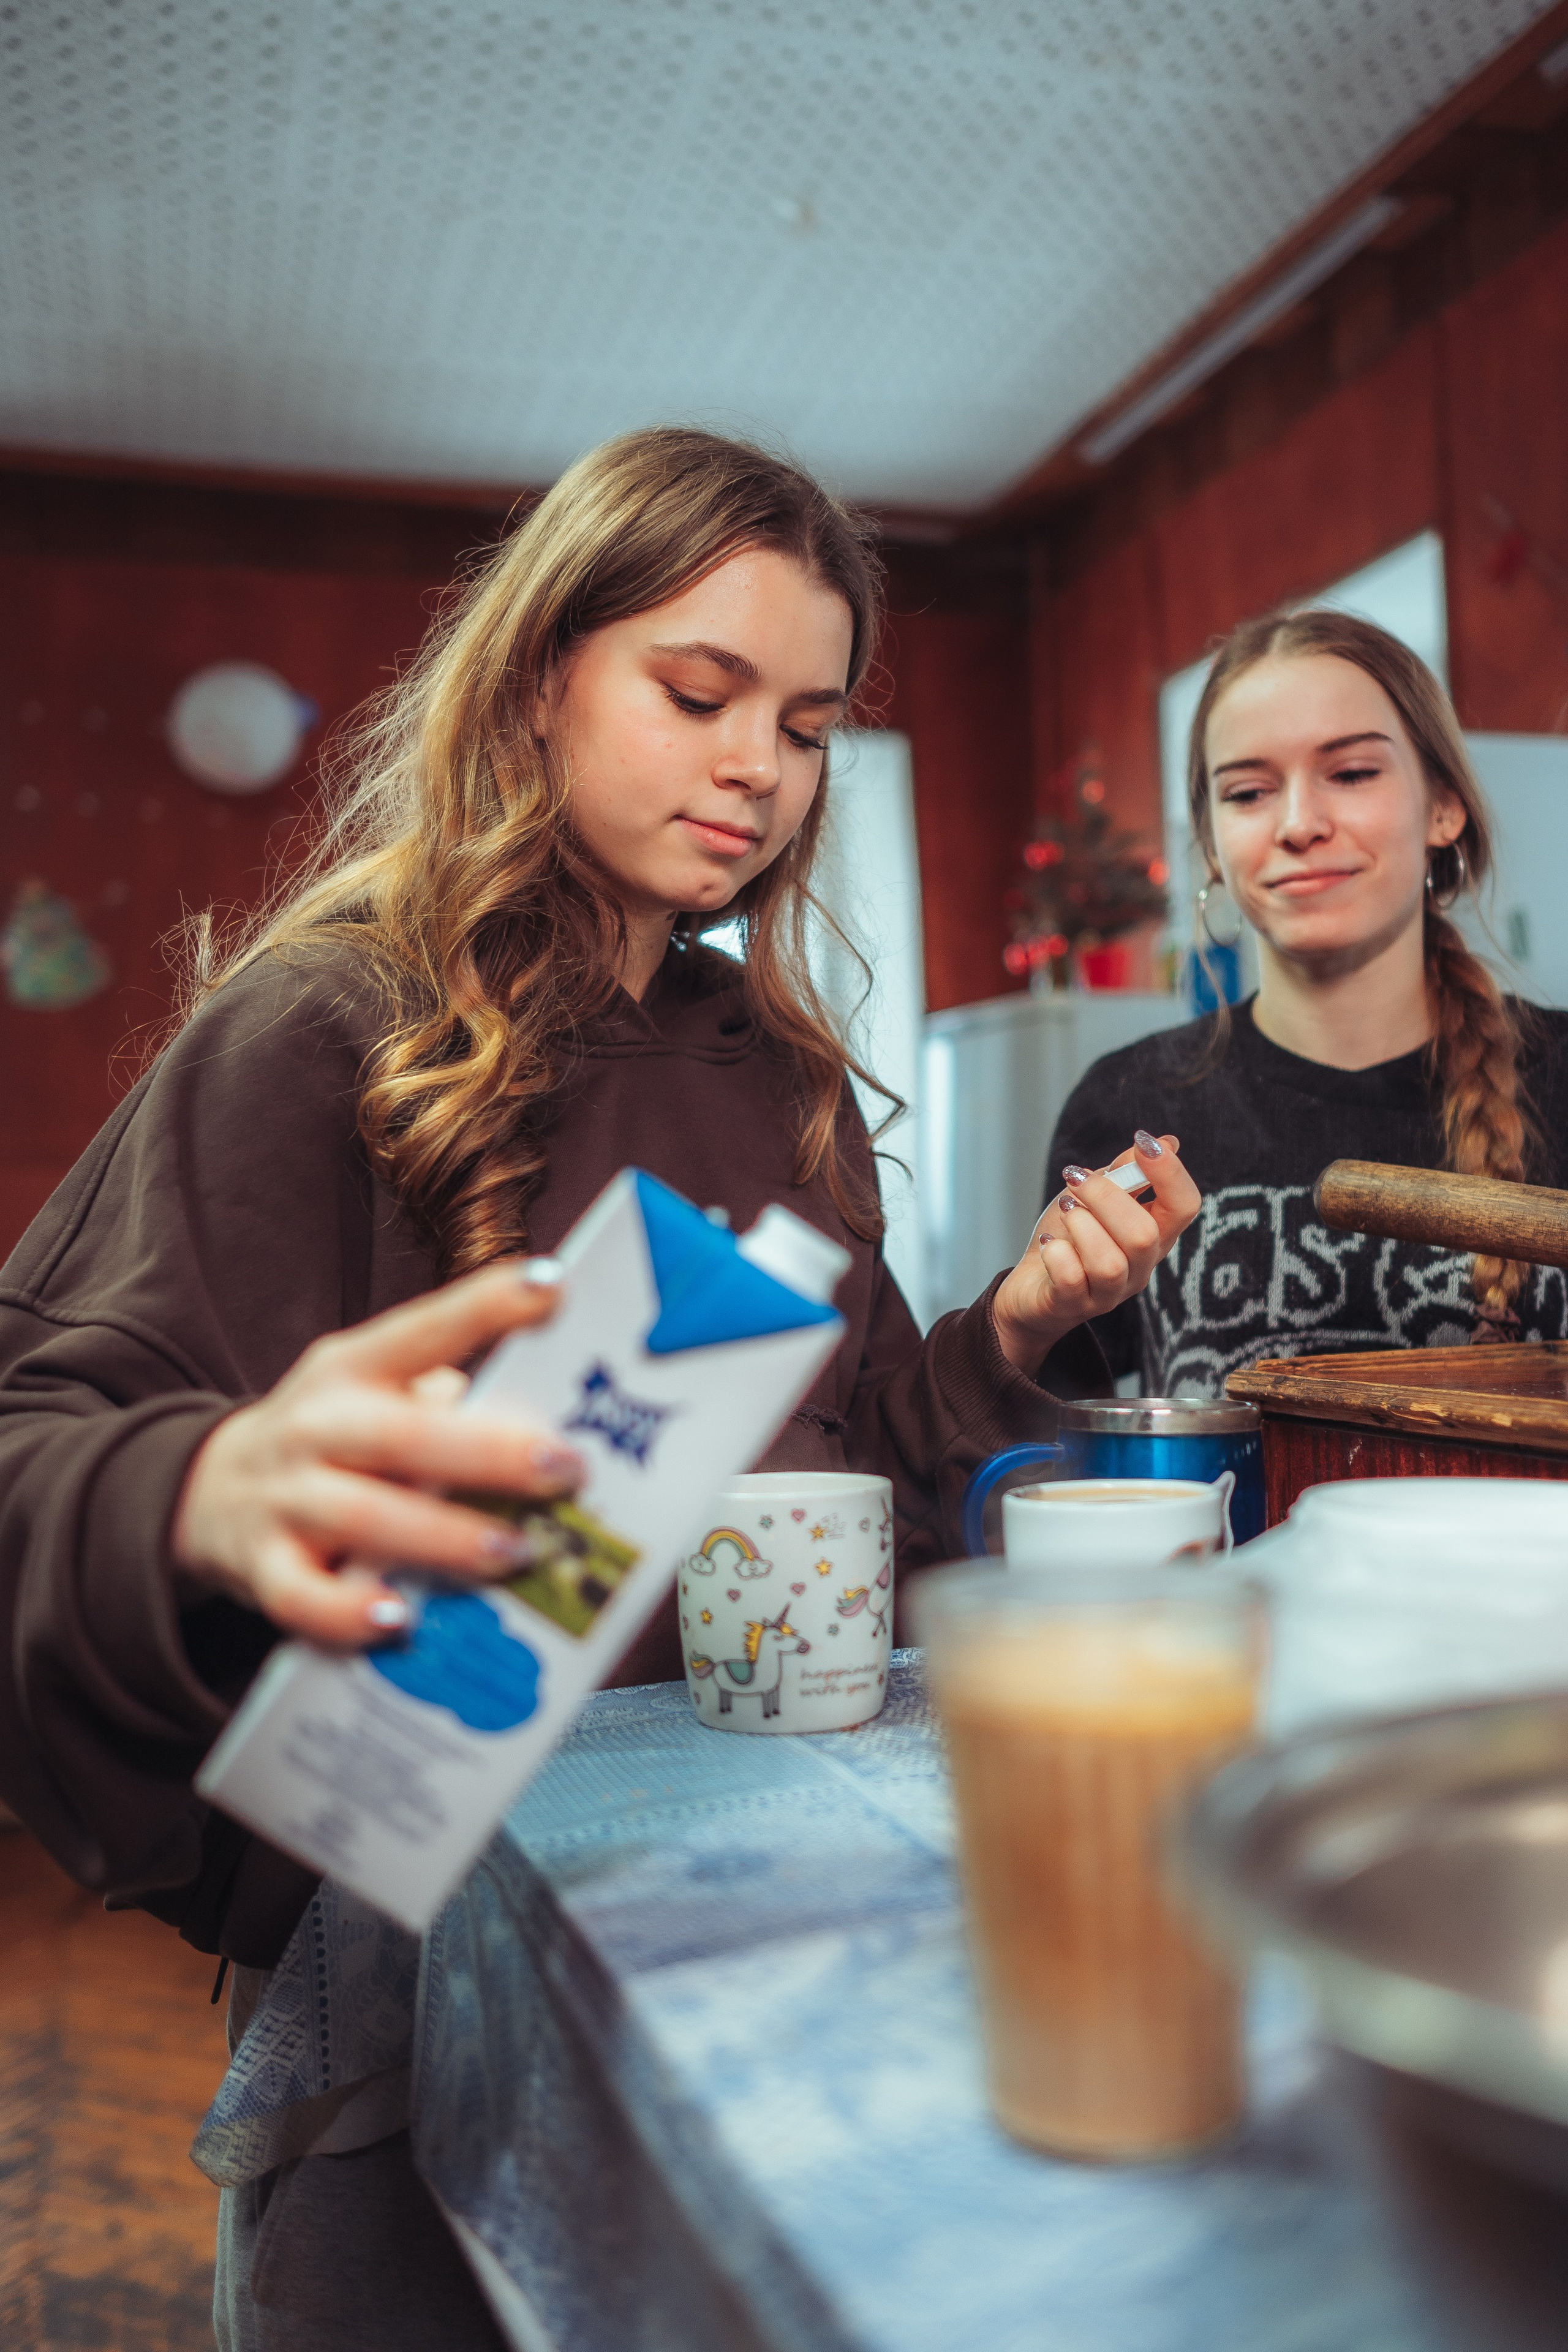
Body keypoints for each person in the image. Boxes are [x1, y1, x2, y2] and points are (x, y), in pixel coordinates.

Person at [0, 426, 1200, 2348]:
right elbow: (34, 1443)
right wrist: (206, 1488)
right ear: (537, 679)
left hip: (746, 1927)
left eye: (805, 726)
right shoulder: (330, 1026)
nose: (757, 768)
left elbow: (850, 1487)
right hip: (412, 1945)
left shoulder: (786, 1084)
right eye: (698, 694)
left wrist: (1009, 1336)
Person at [1047, 607, 1568, 1400]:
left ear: (1443, 805)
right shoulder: (1127, 1106)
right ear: (1212, 845)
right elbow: (1054, 1433)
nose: (1299, 824)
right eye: (1249, 791)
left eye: (1352, 774)